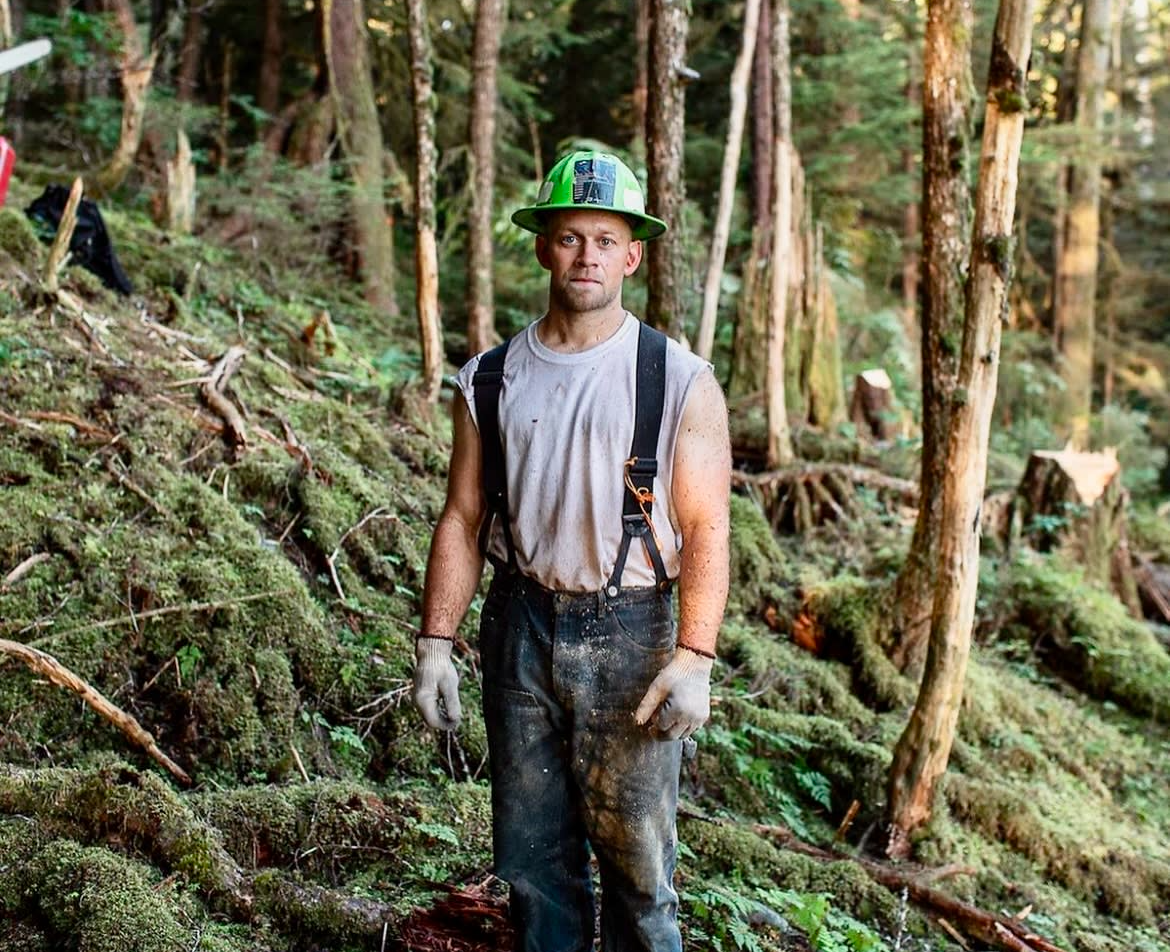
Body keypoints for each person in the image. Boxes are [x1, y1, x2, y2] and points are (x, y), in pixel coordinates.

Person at [412, 149, 731, 952]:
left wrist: (694, 657)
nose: (586, 256)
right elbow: (460, 516)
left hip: (631, 635)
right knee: (531, 866)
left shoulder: (678, 378)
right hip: (519, 626)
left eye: (604, 239)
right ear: (542, 244)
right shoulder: (489, 378)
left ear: (632, 254)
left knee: (638, 871)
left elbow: (706, 529)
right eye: (568, 237)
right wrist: (435, 644)